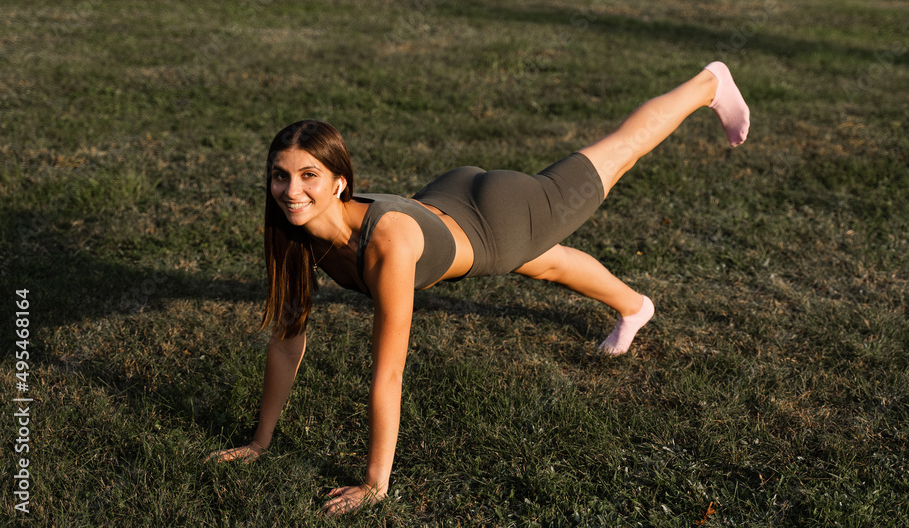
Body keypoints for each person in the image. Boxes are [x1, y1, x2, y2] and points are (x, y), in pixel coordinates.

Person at [206, 62, 749, 515]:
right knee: (547, 264)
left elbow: (389, 371)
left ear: (338, 181)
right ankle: (635, 306)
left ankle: (709, 83)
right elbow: (286, 339)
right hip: (451, 197)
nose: (291, 190)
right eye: (281, 175)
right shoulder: (293, 231)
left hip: (501, 216)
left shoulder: (386, 245)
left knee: (621, 151)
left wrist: (375, 483)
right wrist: (260, 442)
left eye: (308, 177)